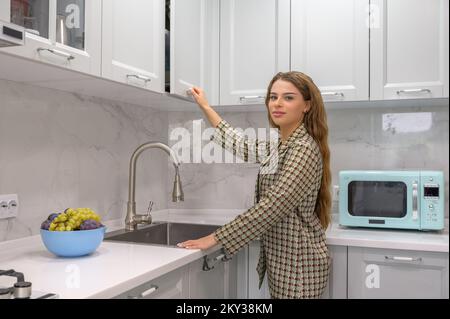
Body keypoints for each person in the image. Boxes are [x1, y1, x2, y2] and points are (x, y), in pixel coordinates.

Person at [177, 71, 332, 299]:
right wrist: (205, 106)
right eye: (272, 97)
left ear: (306, 105)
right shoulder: (282, 144)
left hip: (300, 267)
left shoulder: (302, 148)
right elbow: (241, 144)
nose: (277, 104)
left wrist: (214, 238)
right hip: (288, 261)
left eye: (288, 97)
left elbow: (273, 206)